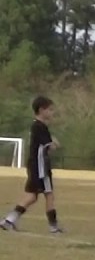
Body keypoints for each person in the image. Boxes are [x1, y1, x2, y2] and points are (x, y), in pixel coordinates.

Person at [1, 95, 63, 234]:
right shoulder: (39, 127)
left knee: (32, 196)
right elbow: (50, 146)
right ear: (41, 110)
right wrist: (54, 143)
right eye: (50, 109)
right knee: (49, 195)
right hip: (40, 167)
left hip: (35, 165)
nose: (52, 113)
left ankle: (9, 221)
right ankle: (53, 227)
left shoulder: (37, 126)